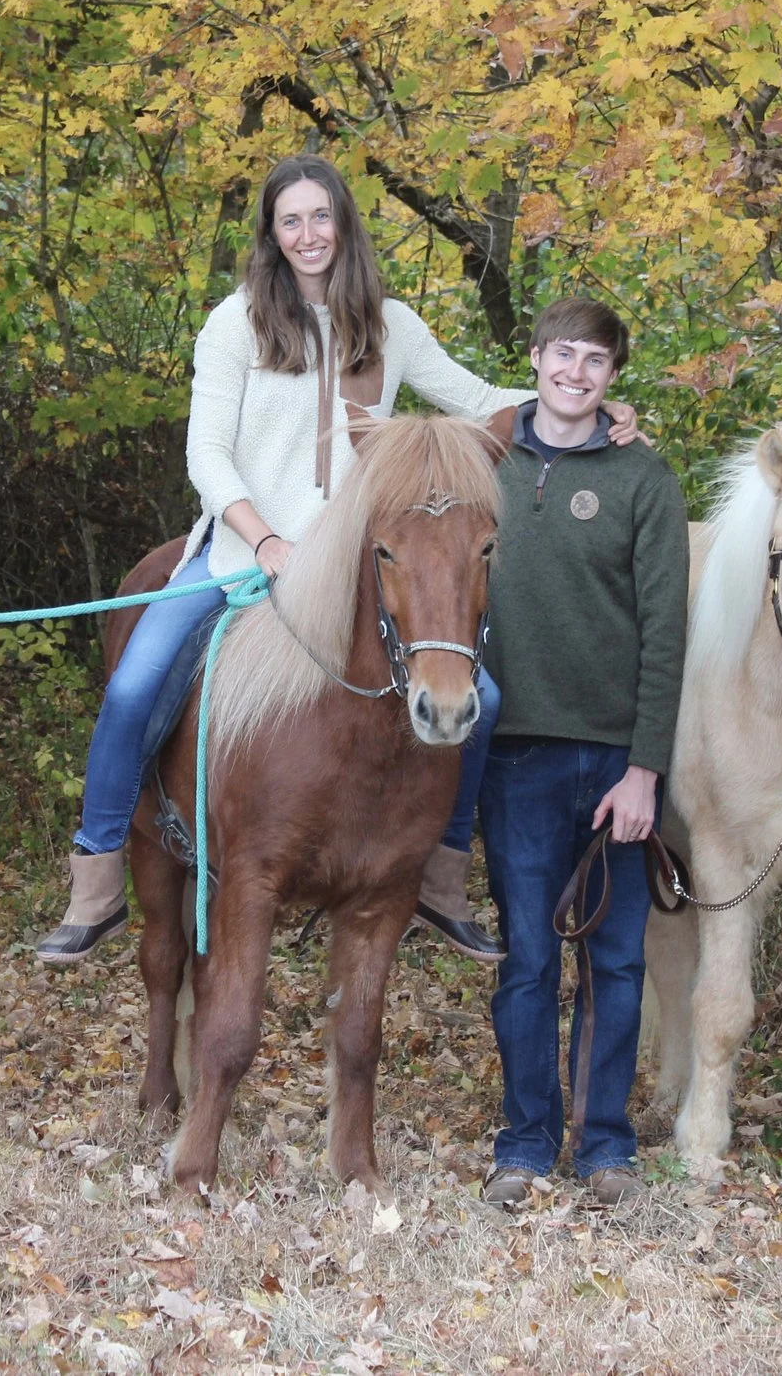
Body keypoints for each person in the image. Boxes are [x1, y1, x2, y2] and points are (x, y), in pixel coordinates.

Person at [36, 157, 641, 964]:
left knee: (485, 698)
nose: (309, 234)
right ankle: (98, 875)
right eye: (291, 220)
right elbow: (206, 454)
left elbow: (477, 400)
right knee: (139, 678)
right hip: (241, 553)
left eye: (322, 217)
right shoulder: (236, 324)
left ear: (344, 224)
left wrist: (586, 406)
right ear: (272, 235)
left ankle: (440, 877)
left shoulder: (390, 325)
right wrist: (264, 538)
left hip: (353, 573)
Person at [473, 296, 688, 1209]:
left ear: (612, 377)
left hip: (613, 766)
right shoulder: (483, 460)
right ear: (534, 359)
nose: (577, 373)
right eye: (564, 355)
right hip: (512, 757)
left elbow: (666, 635)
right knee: (526, 959)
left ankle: (604, 1147)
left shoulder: (645, 479)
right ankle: (524, 1143)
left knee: (616, 964)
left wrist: (644, 771)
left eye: (596, 361)